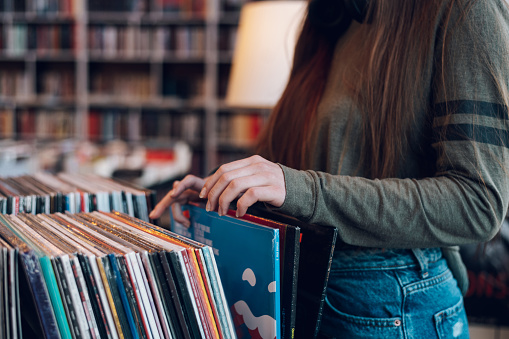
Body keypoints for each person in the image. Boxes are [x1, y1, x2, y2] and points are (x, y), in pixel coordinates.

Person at [149, 0, 509, 337]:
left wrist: (299, 188)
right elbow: (294, 168)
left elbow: (477, 203)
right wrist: (228, 186)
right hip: (309, 285)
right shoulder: (333, 16)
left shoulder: (465, 10)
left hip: (391, 303)